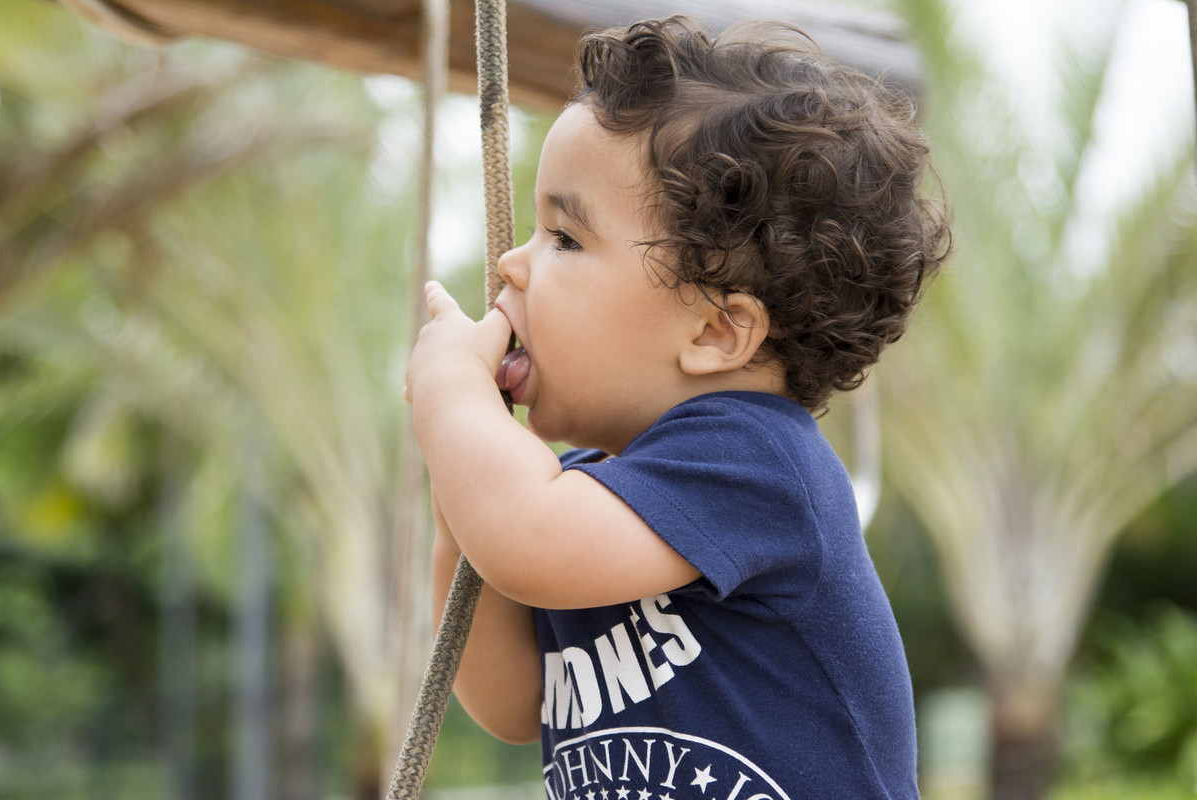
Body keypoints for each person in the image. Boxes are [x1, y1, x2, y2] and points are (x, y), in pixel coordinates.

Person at [404, 14, 950, 799]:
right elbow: (512, 702)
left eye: (565, 238)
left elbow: (525, 536)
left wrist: (455, 400)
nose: (510, 265)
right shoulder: (589, 497)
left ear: (716, 329)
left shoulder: (759, 462)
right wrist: (460, 481)